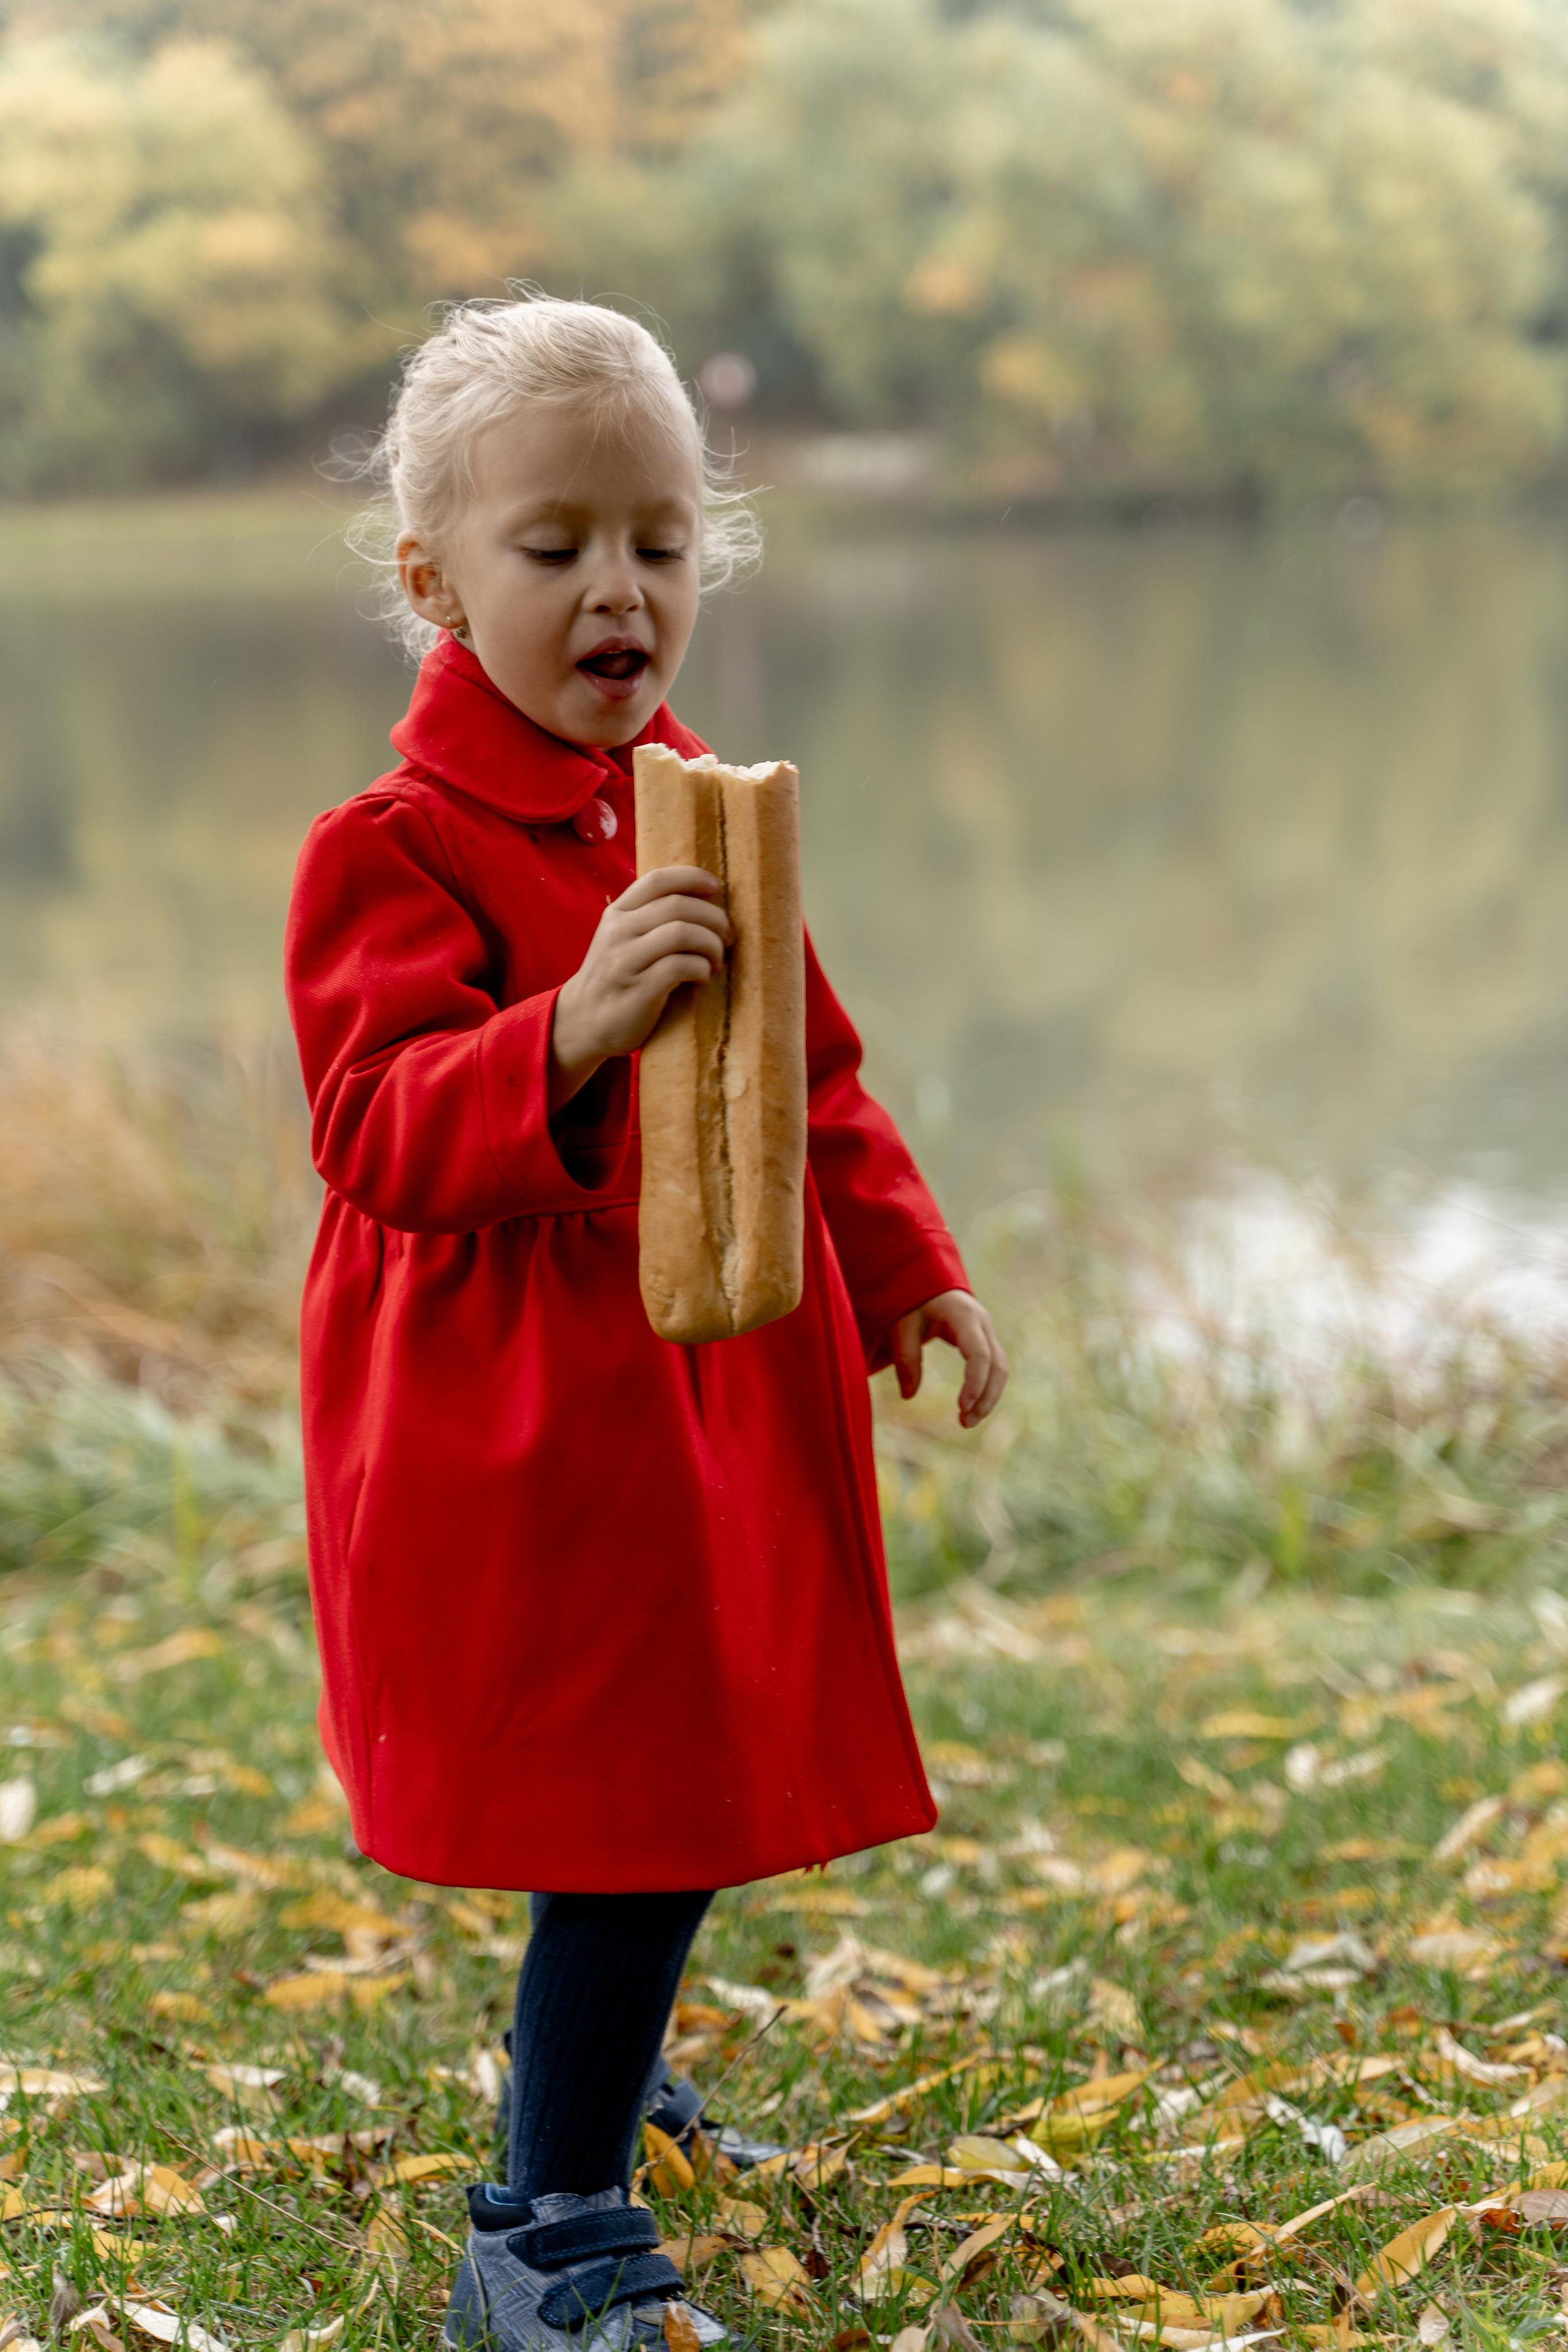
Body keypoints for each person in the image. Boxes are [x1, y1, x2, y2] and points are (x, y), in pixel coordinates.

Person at [284, 293, 1009, 2352]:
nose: (622, 589)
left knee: (670, 1770)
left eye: (662, 542)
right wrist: (572, 1025)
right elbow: (375, 1125)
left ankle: (615, 2096)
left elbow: (810, 1072)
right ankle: (547, 2223)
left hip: (704, 1394)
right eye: (557, 546)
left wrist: (905, 1260)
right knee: (627, 1800)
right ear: (436, 582)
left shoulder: (700, 798)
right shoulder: (394, 847)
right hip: (524, 1413)